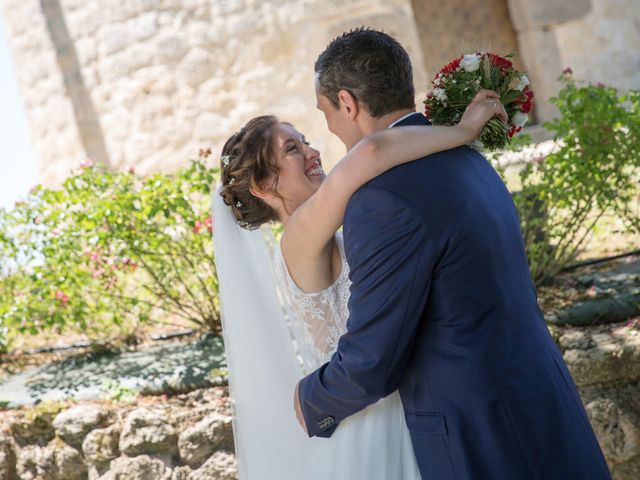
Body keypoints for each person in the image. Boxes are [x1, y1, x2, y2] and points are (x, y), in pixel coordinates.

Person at [291, 27, 611, 480]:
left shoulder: (381, 198)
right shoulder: (467, 156)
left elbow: (373, 360)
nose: (327, 127)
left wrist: (312, 399)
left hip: (482, 436)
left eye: (325, 112)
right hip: (541, 402)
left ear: (348, 103)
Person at [213, 89, 506, 478]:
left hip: (388, 400)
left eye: (306, 141)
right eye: (291, 150)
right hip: (372, 417)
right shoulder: (298, 236)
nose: (312, 152)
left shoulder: (321, 232)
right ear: (264, 187)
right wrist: (464, 130)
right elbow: (369, 155)